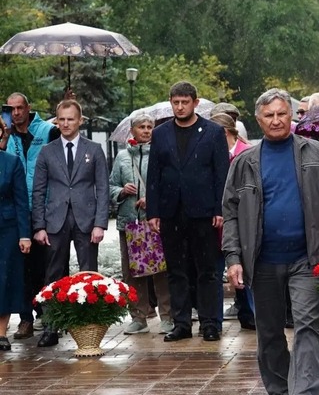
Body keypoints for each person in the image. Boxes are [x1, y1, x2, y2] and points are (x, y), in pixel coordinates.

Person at [222, 88, 319, 395]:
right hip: (262, 261)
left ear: (291, 116)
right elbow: (231, 213)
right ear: (258, 120)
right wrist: (233, 257)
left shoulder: (312, 151)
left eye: (281, 113)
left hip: (306, 257)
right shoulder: (244, 163)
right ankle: (283, 394)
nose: (276, 120)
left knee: (308, 324)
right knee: (269, 331)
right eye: (269, 115)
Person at [146, 81, 229, 343]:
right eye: (176, 102)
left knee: (207, 270)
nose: (180, 107)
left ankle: (210, 322)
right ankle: (181, 323)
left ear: (195, 102)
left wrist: (220, 208)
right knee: (176, 270)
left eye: (185, 102)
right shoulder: (160, 133)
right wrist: (153, 211)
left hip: (203, 211)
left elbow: (221, 174)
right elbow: (154, 175)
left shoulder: (213, 132)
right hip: (171, 211)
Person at [31, 99, 110, 347]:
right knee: (53, 274)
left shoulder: (94, 149)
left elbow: (103, 188)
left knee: (89, 273)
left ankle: (88, 326)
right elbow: (38, 191)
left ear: (80, 121)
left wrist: (100, 223)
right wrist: (39, 226)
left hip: (86, 220)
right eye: (62, 119)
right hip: (55, 221)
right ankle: (51, 326)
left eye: (70, 119)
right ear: (57, 121)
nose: (66, 124)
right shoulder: (47, 151)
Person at [109, 113, 173, 335]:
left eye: (149, 127)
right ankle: (138, 317)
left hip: (155, 222)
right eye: (141, 127)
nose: (146, 130)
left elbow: (169, 186)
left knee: (160, 271)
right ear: (132, 130)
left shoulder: (161, 153)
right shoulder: (122, 157)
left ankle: (167, 317)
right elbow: (111, 186)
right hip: (130, 222)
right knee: (132, 272)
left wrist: (152, 200)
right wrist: (121, 191)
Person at [5, 93, 59, 340]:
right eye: (11, 109)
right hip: (17, 211)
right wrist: (4, 138)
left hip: (44, 208)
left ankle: (50, 317)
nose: (16, 113)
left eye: (20, 108)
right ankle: (26, 318)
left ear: (28, 108)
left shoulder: (47, 131)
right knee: (21, 268)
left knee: (48, 266)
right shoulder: (6, 135)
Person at [209, 113, 256, 331]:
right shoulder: (212, 154)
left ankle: (251, 313)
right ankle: (218, 319)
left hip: (241, 222)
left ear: (225, 132)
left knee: (245, 267)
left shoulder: (246, 154)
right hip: (216, 225)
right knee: (219, 271)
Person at [0, 150, 31, 350]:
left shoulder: (11, 162)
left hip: (6, 230)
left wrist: (24, 235)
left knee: (4, 280)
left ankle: (1, 334)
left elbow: (21, 201)